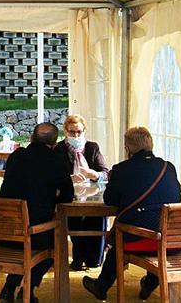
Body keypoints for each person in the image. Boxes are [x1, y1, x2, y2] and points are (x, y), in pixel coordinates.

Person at [82, 126, 181, 301]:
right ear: (151, 144)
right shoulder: (168, 167)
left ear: (127, 148)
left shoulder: (122, 169)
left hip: (138, 239)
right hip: (171, 240)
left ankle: (102, 285)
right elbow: (177, 197)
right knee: (143, 233)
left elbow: (110, 199)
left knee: (122, 235)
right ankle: (150, 282)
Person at [0, 122, 75, 303]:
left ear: (32, 137)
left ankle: (9, 288)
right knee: (54, 246)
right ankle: (27, 291)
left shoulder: (16, 156)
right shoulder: (56, 161)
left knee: (27, 240)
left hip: (5, 232)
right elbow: (67, 196)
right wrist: (51, 200)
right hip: (34, 234)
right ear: (55, 143)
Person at [60, 114, 110, 271]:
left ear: (84, 131)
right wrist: (69, 179)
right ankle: (78, 256)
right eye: (72, 132)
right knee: (74, 221)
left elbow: (105, 172)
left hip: (92, 194)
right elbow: (52, 175)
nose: (76, 135)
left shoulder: (92, 147)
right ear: (65, 132)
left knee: (96, 217)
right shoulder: (59, 149)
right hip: (70, 195)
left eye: (79, 132)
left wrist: (93, 174)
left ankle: (93, 258)